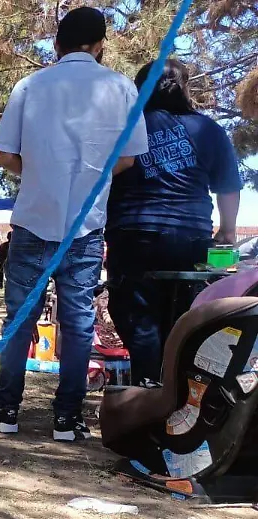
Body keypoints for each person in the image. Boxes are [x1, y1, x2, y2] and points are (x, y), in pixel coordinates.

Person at [0, 7, 148, 441]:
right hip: (87, 226)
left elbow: (5, 153)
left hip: (33, 219)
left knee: (19, 320)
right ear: (100, 45)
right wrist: (90, 177)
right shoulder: (122, 87)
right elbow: (129, 158)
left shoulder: (29, 85)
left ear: (56, 44)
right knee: (77, 324)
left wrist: (41, 173)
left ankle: (6, 409)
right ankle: (68, 417)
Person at [105, 58, 244, 385]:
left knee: (137, 317)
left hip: (133, 234)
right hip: (191, 237)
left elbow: (101, 177)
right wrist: (228, 230)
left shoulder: (125, 127)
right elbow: (228, 186)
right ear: (184, 89)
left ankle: (149, 387)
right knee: (186, 316)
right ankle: (177, 390)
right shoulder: (208, 129)